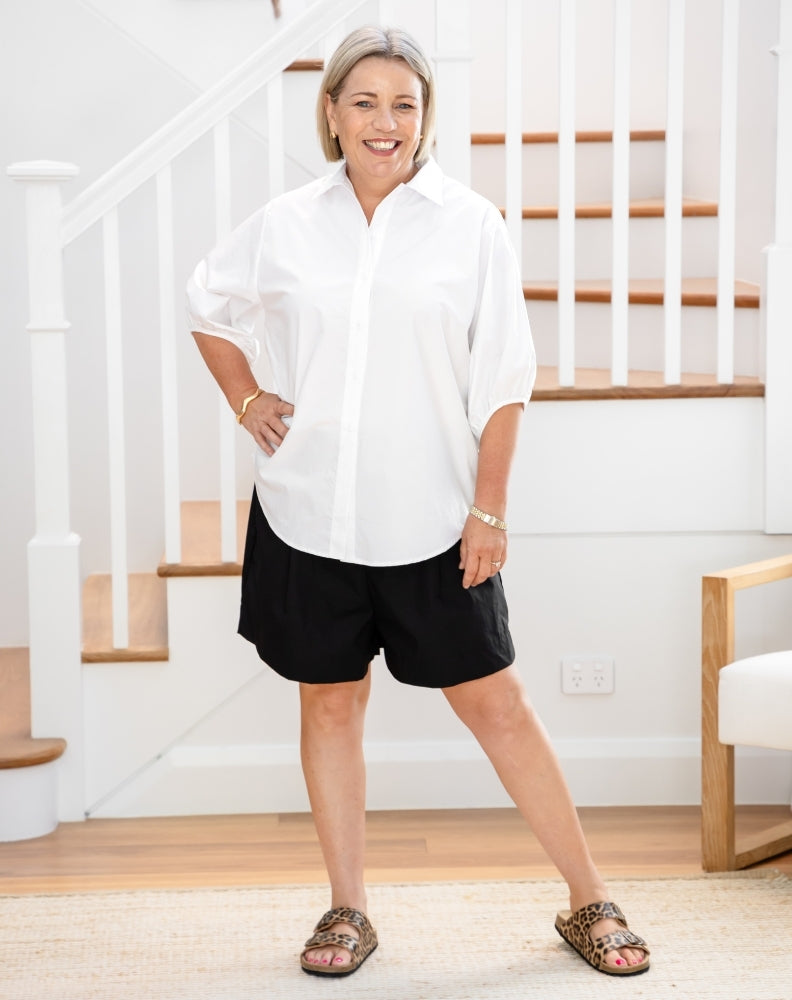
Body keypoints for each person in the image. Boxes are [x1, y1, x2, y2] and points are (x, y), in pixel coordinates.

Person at [186, 25, 650, 980]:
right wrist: (247, 398)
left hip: (436, 519)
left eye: (404, 103)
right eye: (364, 101)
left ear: (426, 116)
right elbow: (205, 303)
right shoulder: (285, 224)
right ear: (331, 113)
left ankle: (588, 896)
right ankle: (348, 907)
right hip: (308, 514)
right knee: (329, 706)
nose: (385, 121)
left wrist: (490, 509)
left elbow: (505, 379)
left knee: (499, 706)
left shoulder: (470, 226)